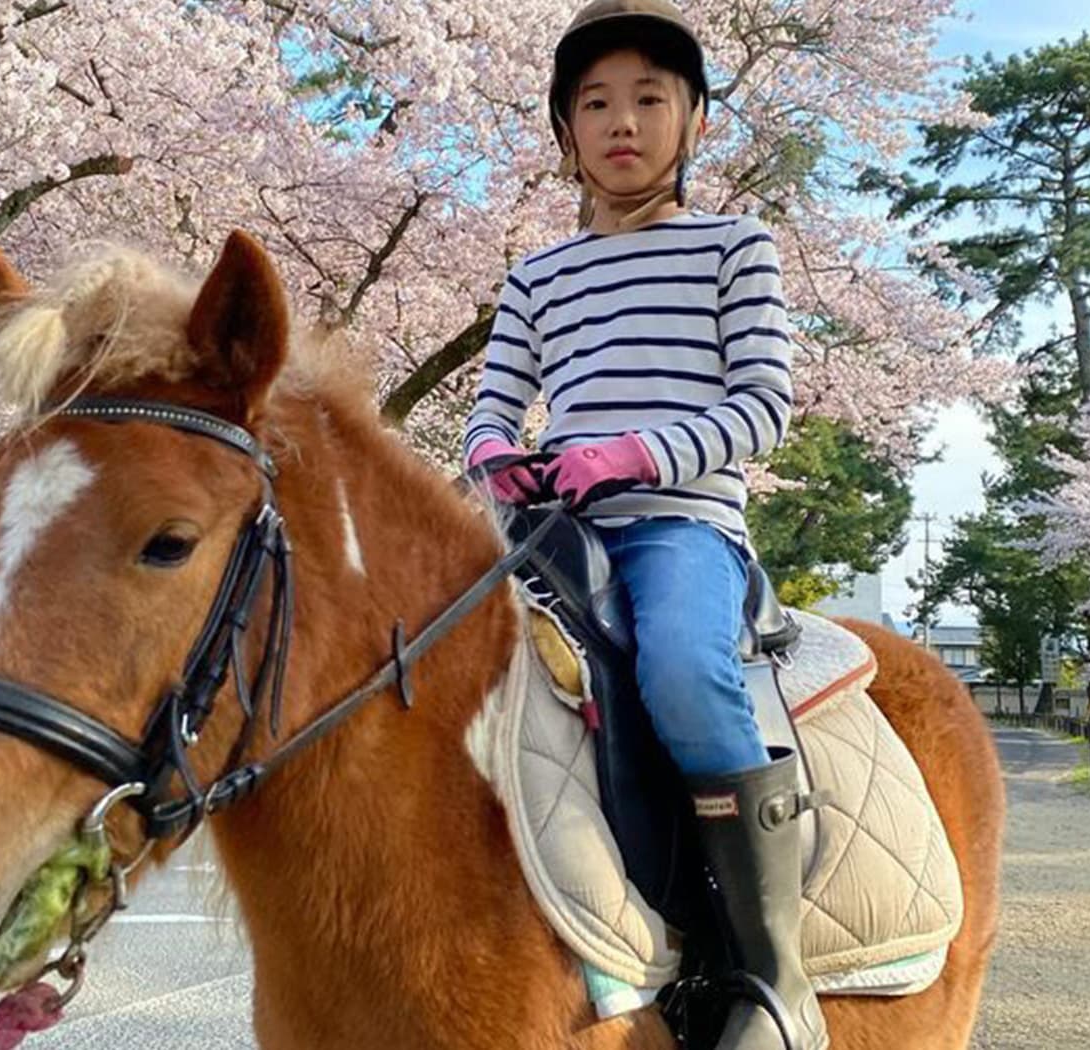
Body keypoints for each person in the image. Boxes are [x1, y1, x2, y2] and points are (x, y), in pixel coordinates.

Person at [463, 3, 823, 1046]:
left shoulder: (734, 246)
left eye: (651, 98)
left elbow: (764, 405)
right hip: (549, 532)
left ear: (697, 120)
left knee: (678, 668)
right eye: (596, 103)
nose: (623, 121)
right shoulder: (537, 276)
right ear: (567, 130)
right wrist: (493, 456)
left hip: (678, 524)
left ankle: (771, 971)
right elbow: (494, 406)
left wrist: (634, 453)